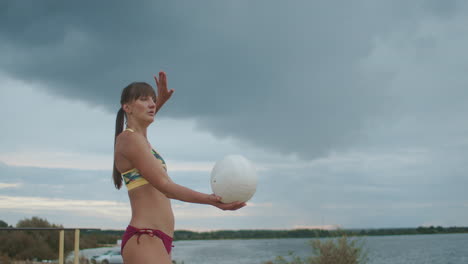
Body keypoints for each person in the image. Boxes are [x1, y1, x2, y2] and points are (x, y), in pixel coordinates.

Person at [113, 72, 246, 264]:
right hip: (145, 236)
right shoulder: (128, 139)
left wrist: (160, 103)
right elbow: (165, 185)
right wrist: (210, 200)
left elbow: (141, 123)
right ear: (127, 107)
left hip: (159, 239)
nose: (151, 103)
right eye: (144, 99)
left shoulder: (140, 139)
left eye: (153, 99)